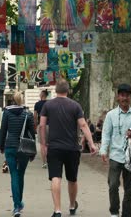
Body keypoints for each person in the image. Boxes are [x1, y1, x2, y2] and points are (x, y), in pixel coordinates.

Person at [39, 79, 97, 217]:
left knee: (55, 177)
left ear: (56, 90)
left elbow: (42, 125)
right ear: (68, 90)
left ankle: (57, 210)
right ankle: (71, 206)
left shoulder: (48, 105)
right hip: (72, 148)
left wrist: (43, 144)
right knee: (72, 179)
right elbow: (83, 125)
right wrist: (91, 143)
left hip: (54, 147)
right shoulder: (75, 106)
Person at [100, 83, 131, 217]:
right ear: (118, 97)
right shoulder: (111, 115)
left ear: (130, 97)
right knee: (113, 185)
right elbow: (106, 133)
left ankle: (127, 214)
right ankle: (114, 212)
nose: (124, 98)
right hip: (115, 155)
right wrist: (103, 150)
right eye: (122, 95)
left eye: (127, 95)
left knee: (129, 189)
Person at [0, 92, 35, 217]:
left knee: (13, 175)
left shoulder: (7, 113)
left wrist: (1, 146)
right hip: (24, 148)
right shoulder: (28, 114)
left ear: (12, 100)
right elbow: (32, 134)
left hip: (10, 146)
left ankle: (17, 206)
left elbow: (3, 131)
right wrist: (33, 152)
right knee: (21, 175)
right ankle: (19, 204)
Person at [34, 89, 48, 168]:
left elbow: (35, 116)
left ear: (42, 95)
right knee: (48, 145)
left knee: (43, 145)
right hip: (50, 125)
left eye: (40, 93)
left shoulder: (37, 104)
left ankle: (44, 163)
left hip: (41, 125)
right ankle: (49, 160)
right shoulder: (50, 103)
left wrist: (35, 126)